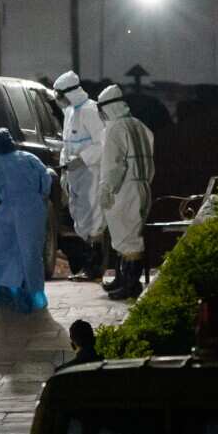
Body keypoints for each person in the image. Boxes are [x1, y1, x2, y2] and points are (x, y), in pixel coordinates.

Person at [0, 128, 52, 313]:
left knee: (2, 249)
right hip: (34, 208)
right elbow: (46, 177)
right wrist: (42, 195)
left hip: (8, 209)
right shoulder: (29, 157)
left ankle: (2, 288)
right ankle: (36, 295)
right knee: (31, 252)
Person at [96, 84, 156, 300]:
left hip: (125, 189)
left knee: (128, 240)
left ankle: (130, 286)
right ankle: (123, 281)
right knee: (127, 236)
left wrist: (106, 189)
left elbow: (114, 164)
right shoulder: (138, 125)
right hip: (142, 186)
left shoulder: (115, 129)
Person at [52, 71, 106, 281]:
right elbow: (68, 143)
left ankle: (94, 267)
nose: (58, 100)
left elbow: (101, 144)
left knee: (93, 216)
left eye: (60, 95)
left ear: (69, 93)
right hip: (74, 173)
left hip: (90, 171)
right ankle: (88, 264)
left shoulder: (90, 111)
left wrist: (82, 159)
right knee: (79, 216)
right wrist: (66, 165)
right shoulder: (70, 112)